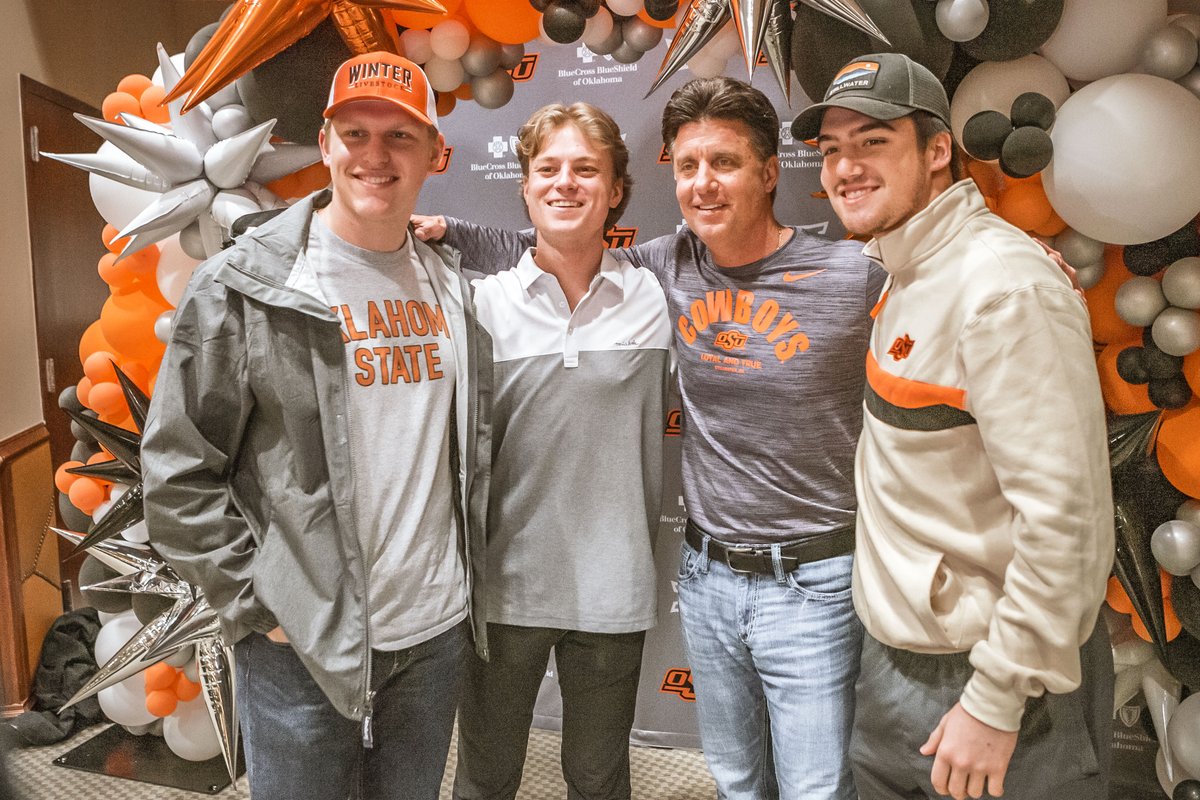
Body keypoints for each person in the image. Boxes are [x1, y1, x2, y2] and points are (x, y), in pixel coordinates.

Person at [416, 76, 881, 800]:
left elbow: (935, 285)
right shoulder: (511, 294)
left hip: (752, 583)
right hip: (579, 584)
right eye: (688, 165)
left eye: (723, 162)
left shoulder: (683, 281)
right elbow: (553, 240)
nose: (702, 183)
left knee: (796, 784)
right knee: (502, 775)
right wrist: (446, 229)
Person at [141, 51, 492, 800]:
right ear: (325, 143)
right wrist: (258, 603)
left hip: (432, 636)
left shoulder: (451, 287)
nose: (376, 155)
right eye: (355, 133)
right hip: (297, 642)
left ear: (435, 152)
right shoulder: (244, 284)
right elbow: (177, 472)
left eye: (400, 136)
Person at [793, 52, 1115, 800]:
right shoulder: (910, 268)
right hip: (899, 663)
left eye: (873, 141)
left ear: (937, 150)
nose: (845, 168)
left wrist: (996, 699)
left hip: (997, 684)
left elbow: (1066, 518)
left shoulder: (1005, 289)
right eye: (833, 149)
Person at [451, 102, 671, 800]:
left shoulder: (655, 295)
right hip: (503, 588)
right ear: (525, 188)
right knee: (485, 779)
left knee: (598, 779)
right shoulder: (481, 304)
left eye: (585, 169)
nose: (565, 183)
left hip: (614, 587)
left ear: (615, 190)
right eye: (547, 169)